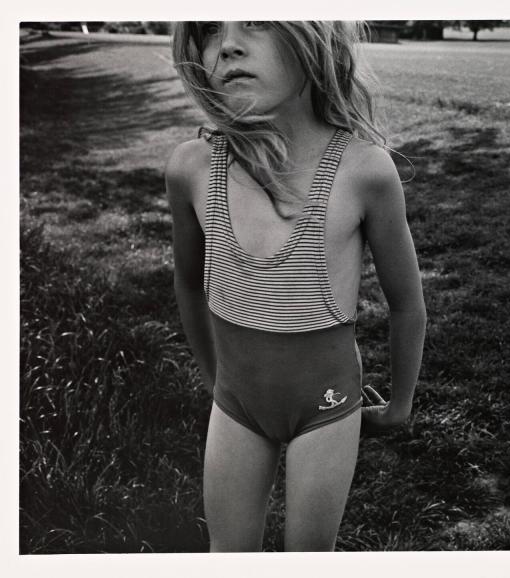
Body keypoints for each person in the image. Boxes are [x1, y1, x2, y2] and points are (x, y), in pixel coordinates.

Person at [167, 21, 427, 552]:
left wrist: (399, 404)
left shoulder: (363, 171)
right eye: (210, 32)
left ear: (315, 39)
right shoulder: (192, 168)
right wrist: (215, 379)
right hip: (236, 405)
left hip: (326, 409)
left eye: (257, 24)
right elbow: (189, 287)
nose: (228, 45)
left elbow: (407, 305)